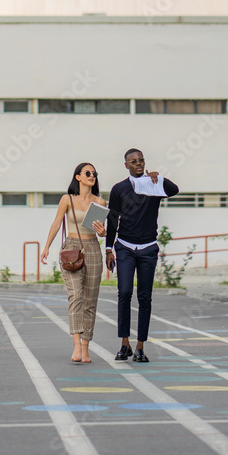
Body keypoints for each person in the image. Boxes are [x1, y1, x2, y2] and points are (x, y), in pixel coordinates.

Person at [105, 148, 179, 362]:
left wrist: (159, 177)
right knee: (125, 292)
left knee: (145, 297)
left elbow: (174, 190)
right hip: (125, 247)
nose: (138, 163)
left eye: (141, 160)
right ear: (126, 165)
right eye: (133, 161)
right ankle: (124, 344)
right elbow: (112, 220)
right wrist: (109, 249)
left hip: (148, 248)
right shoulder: (119, 189)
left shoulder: (153, 184)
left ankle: (139, 347)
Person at [41, 163, 107, 363]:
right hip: (71, 249)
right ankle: (76, 345)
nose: (92, 175)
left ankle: (86, 347)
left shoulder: (100, 202)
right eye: (87, 173)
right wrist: (46, 247)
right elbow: (56, 222)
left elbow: (102, 230)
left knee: (90, 301)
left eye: (94, 173)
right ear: (77, 177)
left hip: (93, 248)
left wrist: (103, 232)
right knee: (75, 296)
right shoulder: (67, 199)